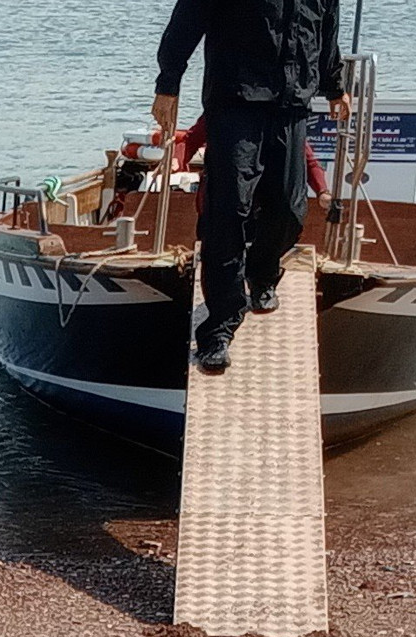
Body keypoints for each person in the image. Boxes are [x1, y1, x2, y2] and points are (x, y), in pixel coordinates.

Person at [152, 0, 351, 373]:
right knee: (228, 211)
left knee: (290, 210)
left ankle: (262, 272)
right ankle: (218, 330)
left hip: (292, 104)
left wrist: (335, 86)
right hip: (235, 99)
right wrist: (168, 84)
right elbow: (187, 20)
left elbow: (327, 31)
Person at [179, 114, 334, 213]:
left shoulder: (279, 117)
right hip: (220, 201)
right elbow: (190, 139)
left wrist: (322, 191)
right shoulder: (222, 109)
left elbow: (308, 160)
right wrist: (175, 161)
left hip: (261, 203)